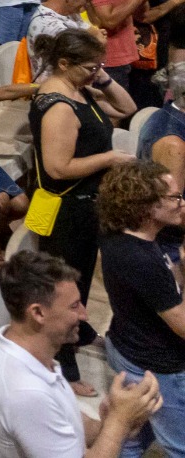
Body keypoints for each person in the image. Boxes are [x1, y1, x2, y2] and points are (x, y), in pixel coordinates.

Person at [31, 27, 137, 392]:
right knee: (64, 288)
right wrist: (108, 157)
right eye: (90, 67)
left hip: (86, 204)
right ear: (64, 63)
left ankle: (80, 330)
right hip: (68, 210)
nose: (96, 73)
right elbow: (58, 168)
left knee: (79, 277)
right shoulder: (58, 106)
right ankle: (61, 362)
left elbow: (127, 108)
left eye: (99, 66)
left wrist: (101, 77)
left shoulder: (79, 89)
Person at [0, 248, 162, 458]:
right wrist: (119, 421)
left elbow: (63, 422)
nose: (84, 314)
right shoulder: (27, 394)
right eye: (74, 306)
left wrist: (111, 423)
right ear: (38, 313)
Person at [97, 160, 185, 457]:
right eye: (174, 198)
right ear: (147, 208)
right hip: (159, 368)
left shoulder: (122, 236)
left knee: (133, 434)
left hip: (128, 347)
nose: (181, 203)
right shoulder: (141, 260)